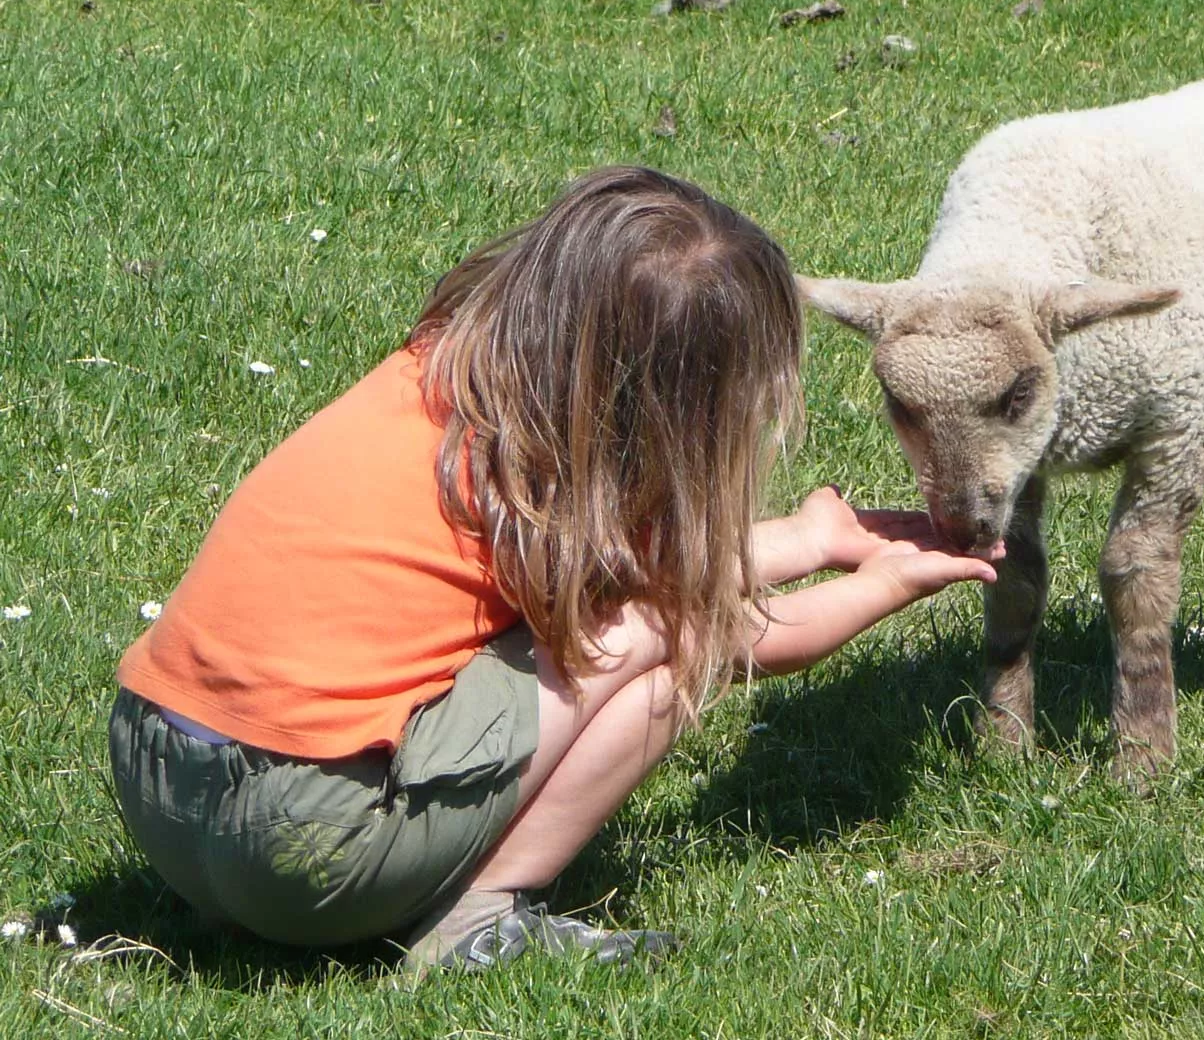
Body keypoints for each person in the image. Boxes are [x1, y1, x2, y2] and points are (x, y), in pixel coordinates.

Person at [108, 166, 998, 972]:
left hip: (157, 788)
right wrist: (884, 584)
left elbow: (658, 565)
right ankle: (478, 919)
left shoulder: (448, 398)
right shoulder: (546, 484)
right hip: (300, 851)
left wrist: (811, 540)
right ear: (672, 401)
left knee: (608, 618)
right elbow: (724, 630)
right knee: (657, 639)